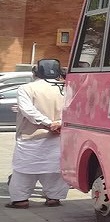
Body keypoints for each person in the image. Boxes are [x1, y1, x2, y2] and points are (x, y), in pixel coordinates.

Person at [6, 59, 68, 208]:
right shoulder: (66, 88)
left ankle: (20, 200)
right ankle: (54, 198)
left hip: (31, 136)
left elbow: (28, 111)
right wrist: (58, 123)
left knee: (23, 171)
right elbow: (73, 110)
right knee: (54, 170)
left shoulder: (27, 88)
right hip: (58, 137)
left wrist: (48, 123)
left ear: (36, 72)